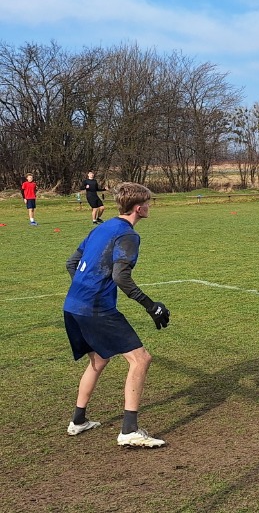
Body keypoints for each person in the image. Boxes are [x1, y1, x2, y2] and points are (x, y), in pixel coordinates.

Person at [63, 182, 171, 448]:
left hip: (73, 304)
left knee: (99, 359)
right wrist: (150, 306)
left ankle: (78, 420)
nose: (150, 206)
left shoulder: (103, 227)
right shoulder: (128, 235)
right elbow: (121, 277)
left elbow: (71, 263)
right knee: (141, 359)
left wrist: (84, 289)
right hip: (95, 308)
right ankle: (129, 430)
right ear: (138, 208)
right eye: (148, 202)